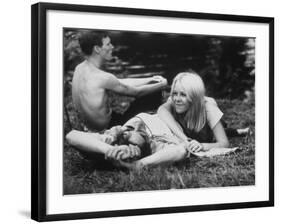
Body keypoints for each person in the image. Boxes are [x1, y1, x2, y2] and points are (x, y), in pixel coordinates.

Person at [72, 31, 167, 131]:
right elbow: (137, 92)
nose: (112, 47)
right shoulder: (103, 77)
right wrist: (162, 84)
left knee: (153, 84)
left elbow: (119, 82)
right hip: (109, 128)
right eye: (108, 44)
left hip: (89, 127)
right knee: (154, 92)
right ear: (97, 49)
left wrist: (151, 79)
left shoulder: (79, 69)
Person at [157, 72, 230, 153]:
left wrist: (202, 146)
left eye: (183, 94)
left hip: (208, 128)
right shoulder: (173, 102)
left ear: (194, 96)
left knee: (225, 130)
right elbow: (161, 110)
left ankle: (238, 131)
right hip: (191, 133)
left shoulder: (209, 109)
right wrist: (185, 139)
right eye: (174, 93)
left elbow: (224, 143)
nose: (177, 99)